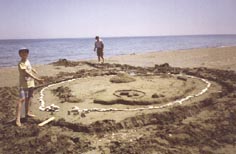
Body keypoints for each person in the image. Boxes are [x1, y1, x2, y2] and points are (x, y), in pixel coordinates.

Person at [16, 48, 44, 126]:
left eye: (26, 53)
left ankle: (27, 113)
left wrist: (33, 69)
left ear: (28, 54)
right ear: (19, 54)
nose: (24, 54)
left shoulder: (27, 61)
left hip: (30, 83)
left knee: (29, 98)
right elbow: (26, 72)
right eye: (22, 53)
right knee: (21, 100)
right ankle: (18, 119)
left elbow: (29, 68)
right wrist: (37, 79)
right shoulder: (21, 63)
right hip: (23, 84)